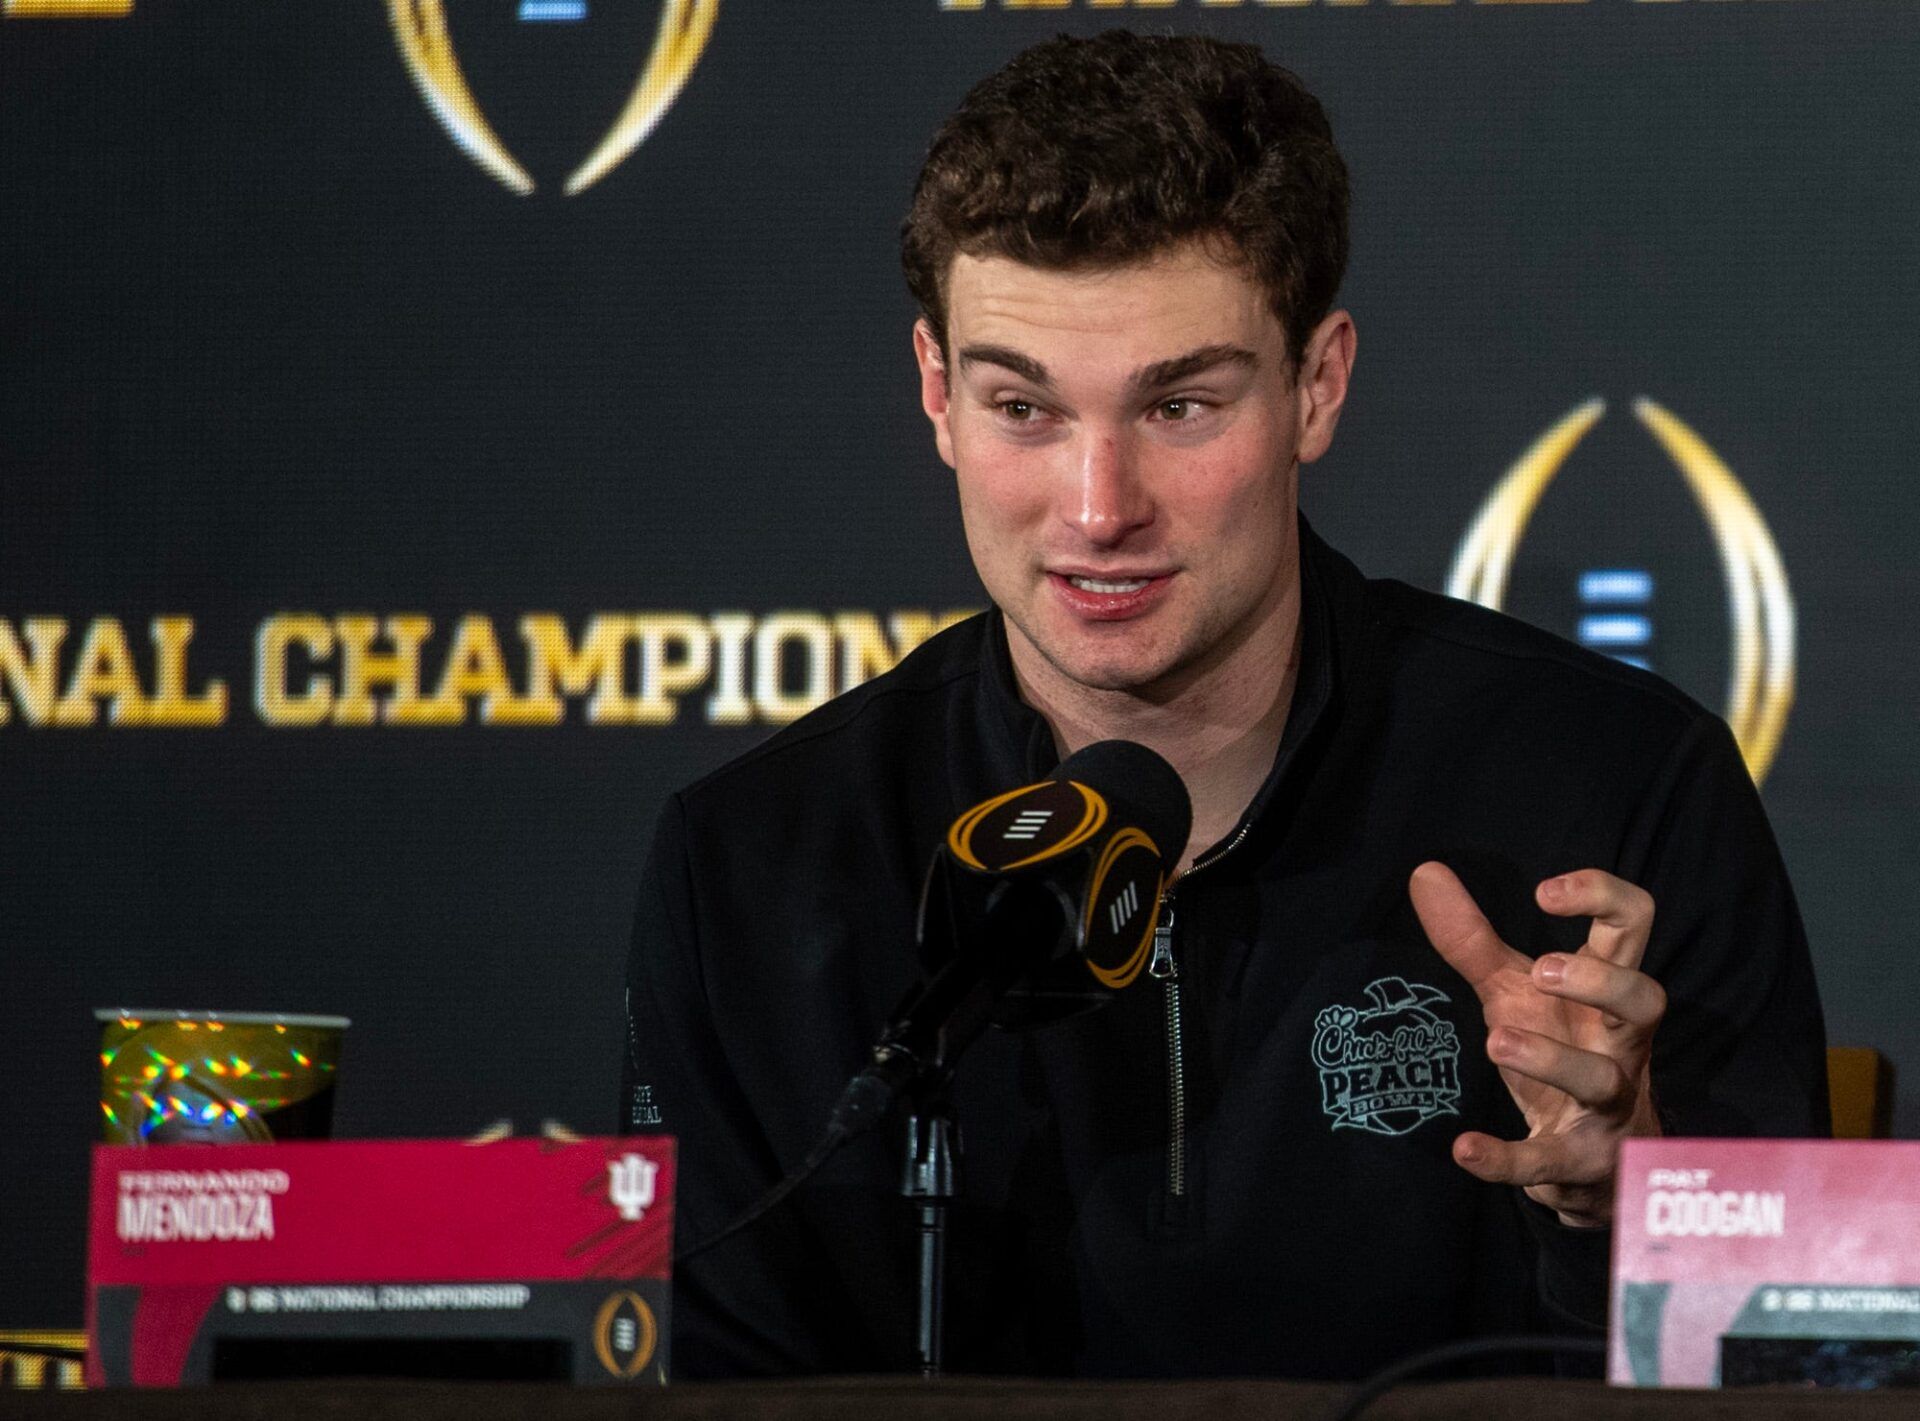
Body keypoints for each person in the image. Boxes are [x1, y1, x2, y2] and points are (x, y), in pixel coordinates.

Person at [619, 30, 1826, 1380]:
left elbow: (1800, 1369)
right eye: (1024, 405)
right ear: (935, 394)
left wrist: (1627, 1199)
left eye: (1181, 404)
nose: (1099, 507)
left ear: (1318, 384)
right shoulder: (753, 868)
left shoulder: (1617, 790)